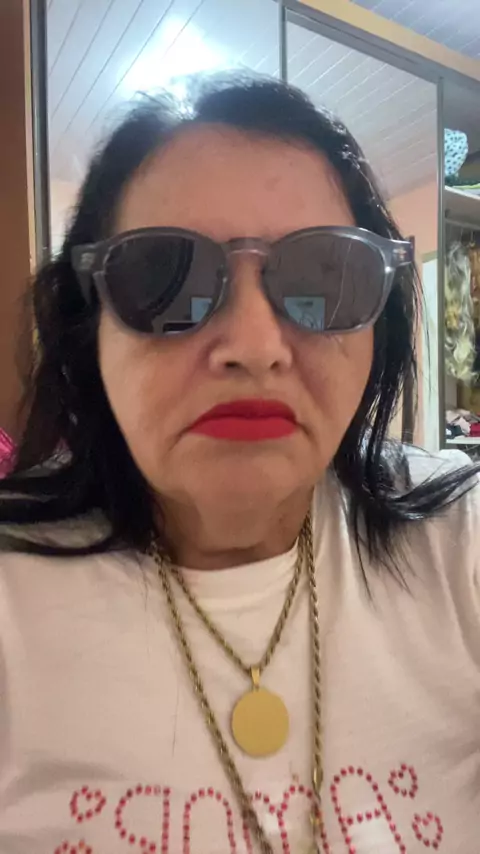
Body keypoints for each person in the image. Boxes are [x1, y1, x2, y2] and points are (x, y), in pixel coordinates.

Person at [0, 76, 478, 854]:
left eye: (324, 279)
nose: (255, 347)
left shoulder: (460, 543)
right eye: (166, 281)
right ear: (89, 331)